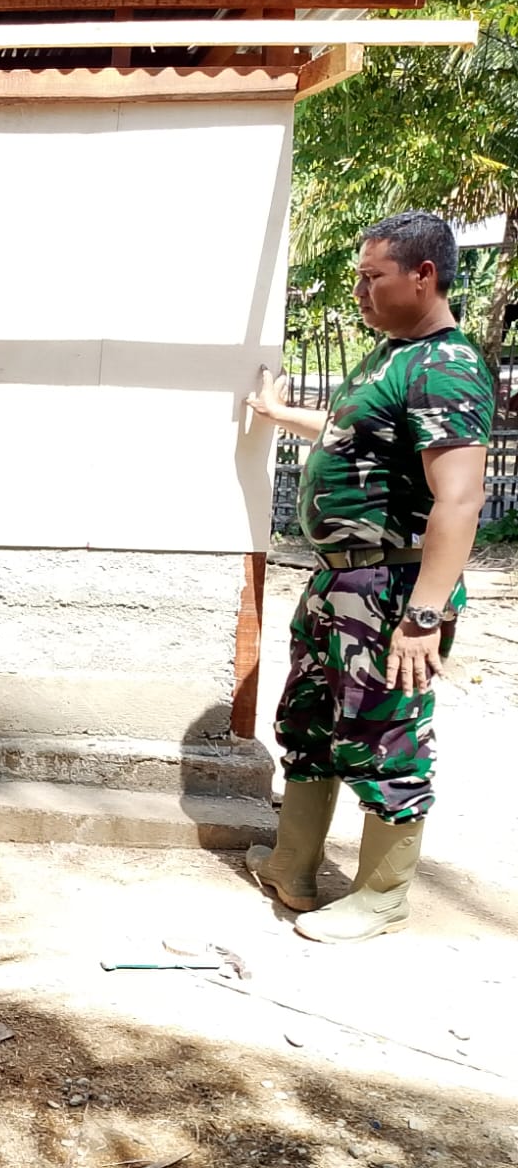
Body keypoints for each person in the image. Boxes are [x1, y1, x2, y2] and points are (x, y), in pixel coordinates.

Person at [244, 211, 494, 944]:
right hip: (339, 584)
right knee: (310, 723)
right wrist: (279, 413)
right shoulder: (391, 356)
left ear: (424, 276)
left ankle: (383, 895)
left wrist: (424, 615)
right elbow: (352, 434)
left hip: (392, 593)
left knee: (387, 737)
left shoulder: (444, 366)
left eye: (371, 276)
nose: (358, 290)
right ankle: (293, 865)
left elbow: (459, 498)